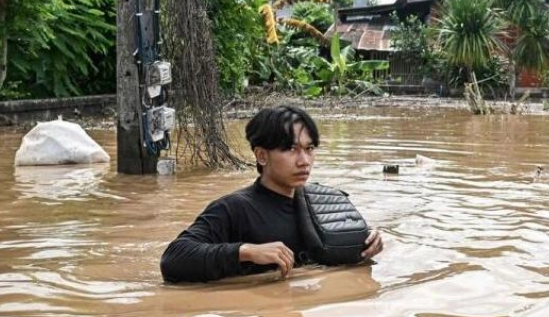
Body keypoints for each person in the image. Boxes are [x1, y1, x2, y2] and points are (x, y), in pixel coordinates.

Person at [160, 105, 384, 283]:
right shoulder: (235, 209)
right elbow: (173, 259)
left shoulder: (326, 202)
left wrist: (367, 241)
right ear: (261, 156)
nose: (304, 161)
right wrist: (245, 251)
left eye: (309, 149)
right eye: (291, 149)